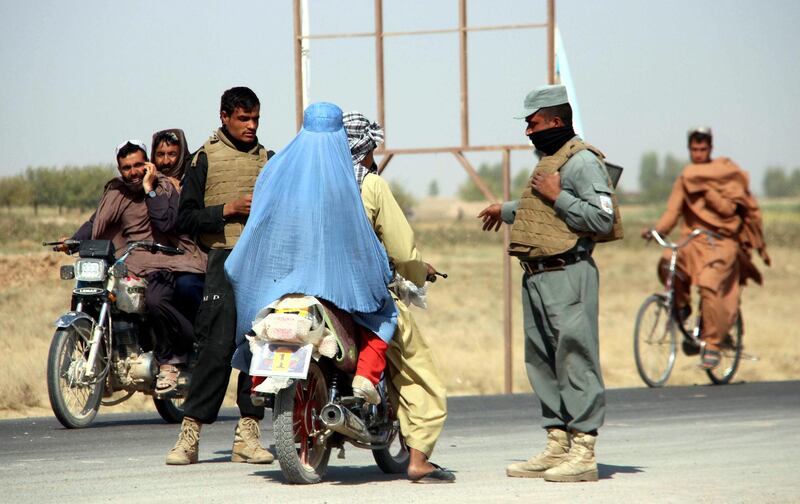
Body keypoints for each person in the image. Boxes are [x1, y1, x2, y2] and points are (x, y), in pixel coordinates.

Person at [478, 84, 622, 483]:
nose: (528, 132)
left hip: (569, 274)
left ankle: (584, 449)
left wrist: (559, 196)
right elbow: (540, 211)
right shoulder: (551, 161)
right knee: (542, 360)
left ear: (556, 121)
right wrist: (506, 210)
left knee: (575, 358)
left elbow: (601, 220)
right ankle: (557, 442)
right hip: (537, 275)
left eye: (533, 123)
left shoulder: (582, 162)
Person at [224, 102, 397, 406]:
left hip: (279, 283)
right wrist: (380, 267)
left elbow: (260, 228)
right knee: (381, 311)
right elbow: (358, 236)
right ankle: (366, 378)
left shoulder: (276, 169)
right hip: (333, 285)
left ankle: (259, 378)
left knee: (259, 315)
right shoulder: (345, 176)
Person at [342, 111, 455, 483]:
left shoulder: (313, 184)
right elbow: (402, 249)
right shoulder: (370, 185)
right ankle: (419, 458)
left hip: (311, 291)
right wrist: (420, 270)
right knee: (419, 372)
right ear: (365, 148)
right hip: (365, 294)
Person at [166, 87, 273, 466]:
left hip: (262, 266)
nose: (251, 125)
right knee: (215, 349)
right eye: (244, 118)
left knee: (261, 349)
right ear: (225, 116)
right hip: (223, 262)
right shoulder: (203, 159)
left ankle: (248, 433)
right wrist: (225, 210)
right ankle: (189, 436)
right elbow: (186, 219)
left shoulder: (269, 160)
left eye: (255, 118)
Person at [63, 140, 207, 392]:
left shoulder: (165, 188)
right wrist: (73, 240)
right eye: (126, 167)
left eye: (138, 165)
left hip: (167, 260)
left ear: (148, 164)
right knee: (91, 294)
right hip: (129, 261)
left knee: (155, 301)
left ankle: (169, 362)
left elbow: (165, 224)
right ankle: (98, 359)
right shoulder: (116, 193)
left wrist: (149, 189)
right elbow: (96, 221)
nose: (132, 172)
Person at [641, 127, 769, 368]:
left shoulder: (727, 174)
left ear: (710, 148)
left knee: (710, 283)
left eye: (702, 149)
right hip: (693, 241)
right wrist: (657, 230)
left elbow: (731, 209)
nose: (698, 153)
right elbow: (672, 212)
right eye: (694, 149)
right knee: (668, 261)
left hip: (722, 241)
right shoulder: (685, 178)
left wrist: (710, 193)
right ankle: (681, 306)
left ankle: (712, 344)